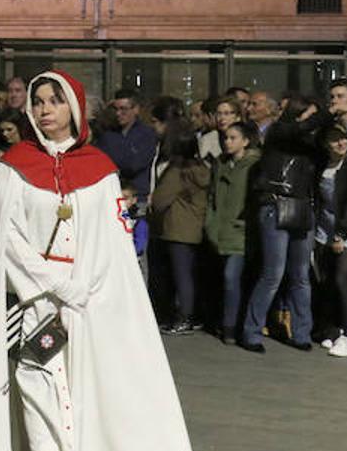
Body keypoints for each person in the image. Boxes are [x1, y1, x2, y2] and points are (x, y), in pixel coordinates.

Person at [0, 71, 200, 451]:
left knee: (87, 387)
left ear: (75, 109)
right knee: (36, 381)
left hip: (88, 299)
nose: (45, 109)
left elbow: (111, 241)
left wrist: (82, 289)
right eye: (38, 101)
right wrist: (51, 284)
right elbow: (5, 239)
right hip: (34, 299)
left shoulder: (100, 169)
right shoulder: (13, 167)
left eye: (55, 101)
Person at [239, 97, 330, 353]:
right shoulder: (280, 131)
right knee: (273, 274)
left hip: (303, 207)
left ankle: (302, 332)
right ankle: (251, 331)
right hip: (276, 205)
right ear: (297, 115)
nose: (311, 121)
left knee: (301, 276)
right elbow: (298, 129)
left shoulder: (311, 145)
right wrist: (328, 111)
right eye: (308, 115)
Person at [149, 127, 211, 334]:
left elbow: (159, 200)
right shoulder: (202, 168)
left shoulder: (177, 171)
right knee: (190, 275)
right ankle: (193, 316)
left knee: (180, 276)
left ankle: (184, 317)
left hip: (177, 229)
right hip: (195, 227)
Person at [204, 122, 261, 343]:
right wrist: (211, 224)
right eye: (226, 138)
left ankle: (231, 326)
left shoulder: (254, 165)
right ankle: (226, 323)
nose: (227, 142)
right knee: (224, 279)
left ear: (246, 141)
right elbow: (212, 197)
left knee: (232, 276)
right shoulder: (221, 164)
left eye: (233, 138)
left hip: (241, 232)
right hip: (219, 230)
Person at [313, 126, 347, 358]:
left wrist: (341, 234)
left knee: (343, 279)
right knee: (326, 281)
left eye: (343, 139)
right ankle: (333, 328)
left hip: (346, 228)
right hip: (323, 228)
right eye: (335, 141)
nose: (341, 144)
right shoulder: (322, 165)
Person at [96, 89, 158, 208]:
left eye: (123, 109)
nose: (118, 113)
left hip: (138, 198)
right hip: (112, 195)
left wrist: (114, 160)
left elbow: (134, 164)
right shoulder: (108, 135)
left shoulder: (147, 134)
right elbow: (101, 164)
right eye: (116, 109)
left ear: (136, 109)